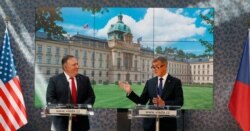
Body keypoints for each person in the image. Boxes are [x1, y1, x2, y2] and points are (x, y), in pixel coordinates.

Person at [119, 56, 184, 131]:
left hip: (168, 125)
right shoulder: (150, 82)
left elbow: (180, 101)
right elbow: (142, 101)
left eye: (157, 67)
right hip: (150, 125)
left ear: (165, 66)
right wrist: (130, 91)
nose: (155, 69)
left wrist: (164, 103)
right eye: (153, 67)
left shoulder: (175, 82)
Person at [46, 55, 95, 131]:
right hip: (61, 124)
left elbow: (91, 97)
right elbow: (50, 98)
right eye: (74, 65)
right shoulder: (54, 80)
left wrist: (81, 108)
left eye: (77, 64)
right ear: (65, 67)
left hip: (81, 123)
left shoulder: (85, 79)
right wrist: (65, 109)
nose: (77, 66)